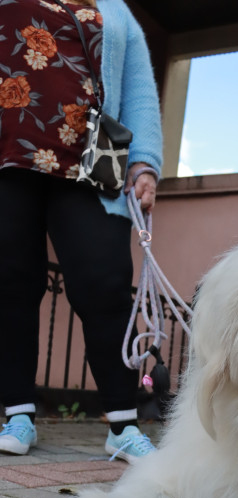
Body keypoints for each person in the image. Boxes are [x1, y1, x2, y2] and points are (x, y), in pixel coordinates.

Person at [0, 0, 163, 462]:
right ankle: (18, 413)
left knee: (105, 283)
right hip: (8, 157)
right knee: (9, 282)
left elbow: (139, 91)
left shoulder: (115, 11)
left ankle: (122, 425)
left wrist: (146, 161)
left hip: (93, 163)